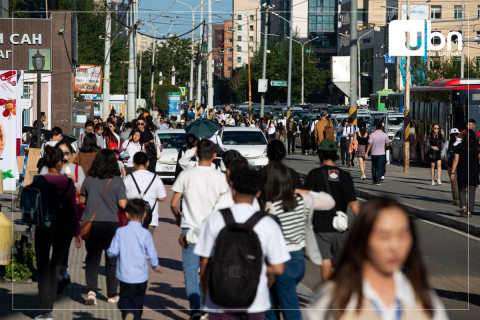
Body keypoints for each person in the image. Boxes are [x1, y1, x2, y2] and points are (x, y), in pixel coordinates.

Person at [305, 197, 449, 320]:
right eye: (383, 237)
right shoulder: (336, 298)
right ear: (363, 239)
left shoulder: (425, 300)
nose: (394, 246)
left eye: (402, 236)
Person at [194, 165, 291, 319]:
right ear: (258, 192)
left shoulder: (215, 219)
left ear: (233, 191)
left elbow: (204, 264)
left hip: (219, 301)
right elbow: (278, 268)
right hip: (255, 302)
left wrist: (207, 294)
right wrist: (262, 284)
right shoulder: (268, 223)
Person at [263, 162, 335, 320]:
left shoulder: (270, 206)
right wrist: (302, 191)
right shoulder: (302, 200)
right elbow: (329, 201)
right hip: (298, 260)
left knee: (283, 308)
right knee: (274, 301)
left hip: (281, 261)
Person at [170, 140, 229, 319]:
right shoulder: (220, 178)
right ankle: (206, 306)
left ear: (196, 154)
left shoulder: (186, 175)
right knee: (210, 269)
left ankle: (195, 308)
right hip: (214, 230)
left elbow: (174, 203)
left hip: (189, 229)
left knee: (190, 269)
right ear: (214, 156)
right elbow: (225, 205)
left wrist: (179, 218)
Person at [33, 146, 79, 320]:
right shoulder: (67, 183)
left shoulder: (39, 180)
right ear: (60, 163)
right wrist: (78, 232)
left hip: (43, 226)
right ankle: (49, 306)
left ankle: (46, 311)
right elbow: (73, 208)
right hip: (64, 228)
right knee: (55, 268)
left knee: (43, 269)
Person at [78, 149, 128, 306]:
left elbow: (81, 201)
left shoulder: (89, 179)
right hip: (111, 224)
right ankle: (112, 295)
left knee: (92, 258)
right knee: (112, 260)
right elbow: (122, 204)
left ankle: (91, 291)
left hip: (91, 224)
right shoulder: (118, 181)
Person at [305, 139, 360, 281]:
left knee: (325, 260)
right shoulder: (345, 176)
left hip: (321, 226)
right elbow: (353, 203)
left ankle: (327, 292)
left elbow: (305, 199)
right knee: (338, 262)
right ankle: (337, 292)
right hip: (341, 226)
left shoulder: (314, 174)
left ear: (320, 154)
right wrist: (364, 223)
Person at [107, 199, 162, 320]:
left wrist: (110, 253)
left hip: (124, 274)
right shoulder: (145, 234)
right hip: (141, 275)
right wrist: (156, 266)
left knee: (124, 299)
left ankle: (126, 311)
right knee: (138, 301)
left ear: (126, 214)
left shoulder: (120, 231)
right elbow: (151, 253)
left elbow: (112, 251)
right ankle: (135, 316)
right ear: (144, 214)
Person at [124, 152, 167, 235]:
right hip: (150, 219)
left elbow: (122, 198)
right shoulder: (156, 178)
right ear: (147, 163)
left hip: (132, 219)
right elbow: (162, 198)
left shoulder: (128, 179)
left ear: (133, 163)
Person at [451, 129, 480, 217]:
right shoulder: (477, 146)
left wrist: (452, 172)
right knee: (472, 191)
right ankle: (469, 212)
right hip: (474, 171)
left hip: (462, 170)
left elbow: (456, 160)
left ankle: (463, 207)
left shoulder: (459, 146)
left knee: (462, 189)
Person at [441, 128, 461, 206]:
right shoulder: (461, 142)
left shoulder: (448, 143)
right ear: (458, 134)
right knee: (460, 181)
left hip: (451, 165)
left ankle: (456, 199)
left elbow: (442, 154)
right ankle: (462, 198)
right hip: (461, 164)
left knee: (454, 182)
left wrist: (441, 160)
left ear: (450, 135)